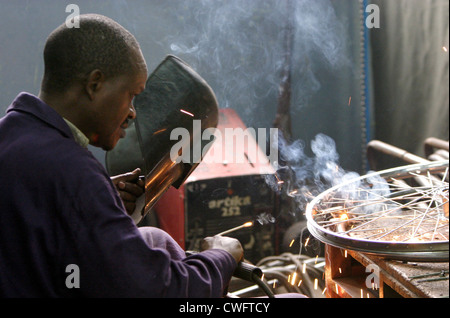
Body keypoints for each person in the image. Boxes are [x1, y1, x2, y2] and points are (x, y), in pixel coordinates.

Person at [0, 14, 243, 297]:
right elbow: (154, 290)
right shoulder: (75, 174)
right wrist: (219, 258)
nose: (132, 113)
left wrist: (102, 202)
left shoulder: (13, 133)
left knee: (157, 239)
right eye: (131, 96)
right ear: (95, 85)